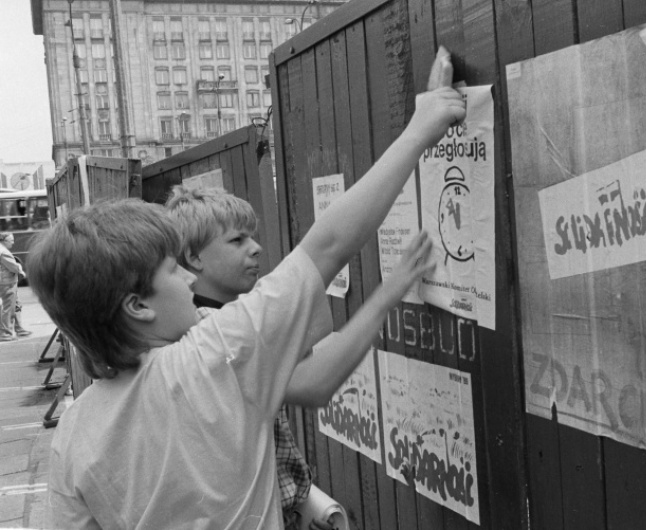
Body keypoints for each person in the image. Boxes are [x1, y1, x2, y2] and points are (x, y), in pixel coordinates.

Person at [27, 50, 464, 528]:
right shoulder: (213, 354)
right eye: (174, 271)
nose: (189, 281)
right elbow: (328, 246)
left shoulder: (73, 432)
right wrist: (423, 126)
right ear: (137, 306)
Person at [165, 187, 435, 529]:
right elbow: (312, 383)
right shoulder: (208, 334)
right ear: (194, 257)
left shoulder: (232, 317)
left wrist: (302, 508)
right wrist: (388, 294)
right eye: (237, 241)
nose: (256, 248)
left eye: (253, 237)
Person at [0, 233, 29, 341]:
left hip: (6, 281)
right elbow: (13, 267)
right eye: (11, 240)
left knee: (15, 305)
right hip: (7, 283)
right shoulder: (3, 252)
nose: (13, 242)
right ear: (3, 241)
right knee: (8, 308)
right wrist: (20, 269)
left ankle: (19, 329)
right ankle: (5, 334)